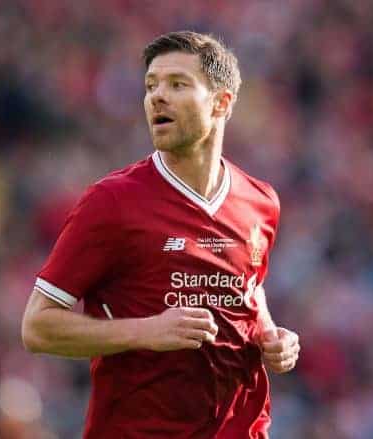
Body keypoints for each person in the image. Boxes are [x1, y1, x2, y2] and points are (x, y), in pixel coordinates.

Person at [21, 31, 300, 438]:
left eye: (177, 84)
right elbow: (37, 327)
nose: (157, 96)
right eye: (151, 85)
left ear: (221, 103)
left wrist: (271, 336)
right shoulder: (112, 202)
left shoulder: (261, 201)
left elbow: (249, 291)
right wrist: (148, 330)